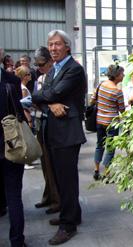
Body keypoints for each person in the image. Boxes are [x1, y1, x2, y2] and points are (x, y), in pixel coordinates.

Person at [32, 30, 87, 245]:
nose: (53, 48)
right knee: (61, 178)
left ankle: (68, 225)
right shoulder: (55, 68)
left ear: (67, 46)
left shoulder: (74, 69)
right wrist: (50, 102)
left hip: (67, 133)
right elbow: (48, 93)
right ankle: (73, 214)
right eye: (50, 44)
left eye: (57, 44)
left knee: (66, 180)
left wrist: (46, 98)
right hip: (54, 131)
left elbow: (49, 93)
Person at [0, 47, 27, 247]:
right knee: (14, 195)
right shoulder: (12, 81)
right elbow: (18, 114)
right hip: (11, 145)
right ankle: (17, 241)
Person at [32, 46, 61, 215]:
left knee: (53, 166)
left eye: (41, 63)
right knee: (45, 164)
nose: (38, 67)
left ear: (50, 62)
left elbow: (52, 99)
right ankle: (49, 195)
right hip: (41, 123)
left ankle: (57, 199)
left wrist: (42, 101)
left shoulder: (56, 76)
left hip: (53, 126)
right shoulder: (41, 77)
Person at [91, 64, 125, 180]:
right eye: (122, 74)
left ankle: (96, 170)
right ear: (117, 76)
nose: (123, 76)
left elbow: (92, 100)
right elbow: (122, 110)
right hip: (112, 123)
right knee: (110, 148)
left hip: (99, 120)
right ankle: (106, 173)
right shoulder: (117, 91)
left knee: (99, 145)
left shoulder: (101, 85)